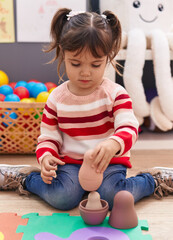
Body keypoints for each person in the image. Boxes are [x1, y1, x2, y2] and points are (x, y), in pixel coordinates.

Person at [0, 8, 173, 210]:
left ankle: (153, 180)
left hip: (109, 162)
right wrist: (46, 156)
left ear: (108, 59)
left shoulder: (116, 94)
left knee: (114, 197)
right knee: (62, 198)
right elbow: (48, 137)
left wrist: (112, 144)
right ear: (63, 55)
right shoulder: (57, 98)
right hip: (70, 163)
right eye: (76, 63)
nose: (85, 73)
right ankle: (24, 178)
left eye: (95, 64)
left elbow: (129, 128)